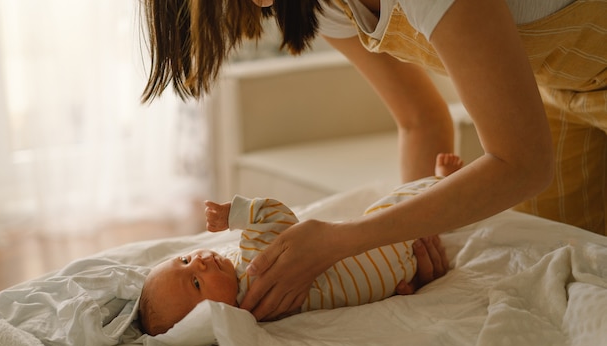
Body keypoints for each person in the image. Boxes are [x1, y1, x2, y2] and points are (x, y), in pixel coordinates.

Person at [139, 0, 607, 320]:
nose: (261, 6)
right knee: (577, 287)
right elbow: (421, 120)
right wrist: (415, 242)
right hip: (553, 87)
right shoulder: (329, 7)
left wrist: (345, 240)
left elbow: (522, 164)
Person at [139, 153, 464, 336]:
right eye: (196, 282)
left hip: (389, 274)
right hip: (381, 254)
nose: (198, 262)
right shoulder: (252, 270)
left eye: (184, 260)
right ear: (211, 318)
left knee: (400, 209)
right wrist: (234, 215)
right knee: (397, 204)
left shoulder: (250, 307)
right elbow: (275, 217)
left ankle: (442, 185)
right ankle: (444, 184)